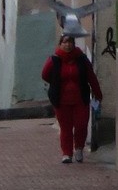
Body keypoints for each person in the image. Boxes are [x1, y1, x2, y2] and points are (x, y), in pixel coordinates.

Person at [42, 33, 104, 163]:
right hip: (61, 100)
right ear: (60, 44)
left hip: (80, 99)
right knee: (66, 127)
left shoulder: (81, 59)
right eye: (64, 42)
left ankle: (79, 148)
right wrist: (55, 83)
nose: (67, 45)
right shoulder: (54, 59)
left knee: (81, 125)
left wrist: (98, 94)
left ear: (73, 44)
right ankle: (67, 153)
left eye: (70, 42)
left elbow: (91, 77)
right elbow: (45, 74)